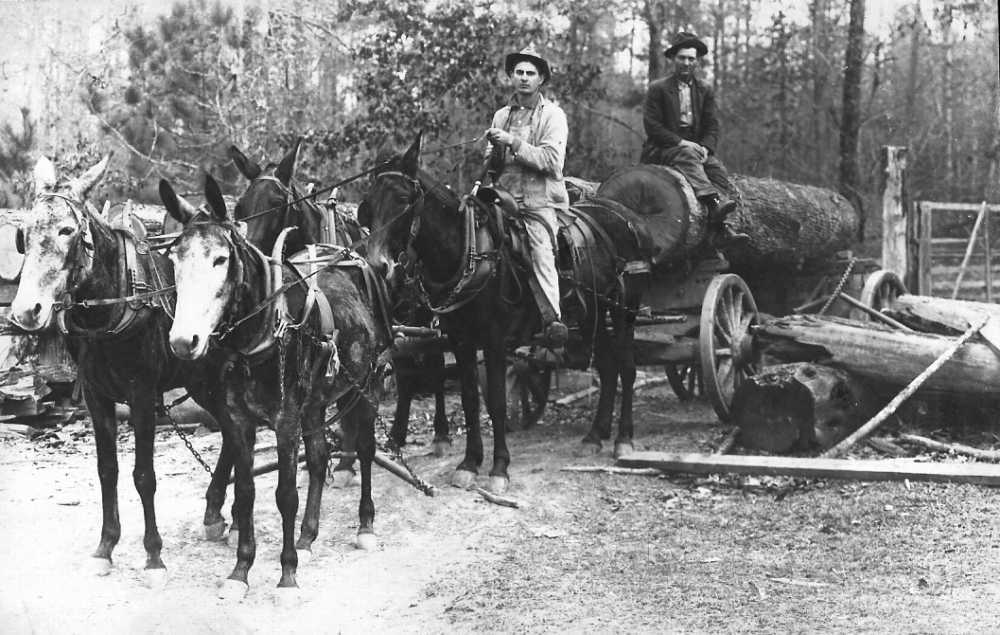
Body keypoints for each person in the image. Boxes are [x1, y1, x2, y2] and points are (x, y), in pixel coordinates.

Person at [483, 45, 568, 348]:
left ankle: (552, 319)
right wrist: (493, 153)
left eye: (530, 73)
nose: (523, 78)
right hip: (501, 199)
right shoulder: (501, 115)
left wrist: (513, 142)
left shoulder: (553, 116)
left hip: (538, 202)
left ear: (541, 79)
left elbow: (551, 161)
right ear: (511, 77)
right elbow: (491, 167)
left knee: (541, 250)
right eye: (518, 72)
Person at [640, 32, 748, 246]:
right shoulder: (658, 88)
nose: (687, 63)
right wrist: (682, 143)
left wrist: (706, 148)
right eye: (682, 58)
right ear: (673, 59)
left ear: (697, 61)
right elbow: (652, 127)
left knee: (717, 170)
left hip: (695, 148)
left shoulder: (704, 90)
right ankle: (713, 201)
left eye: (691, 59)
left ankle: (724, 227)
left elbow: (712, 125)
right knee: (688, 154)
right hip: (663, 147)